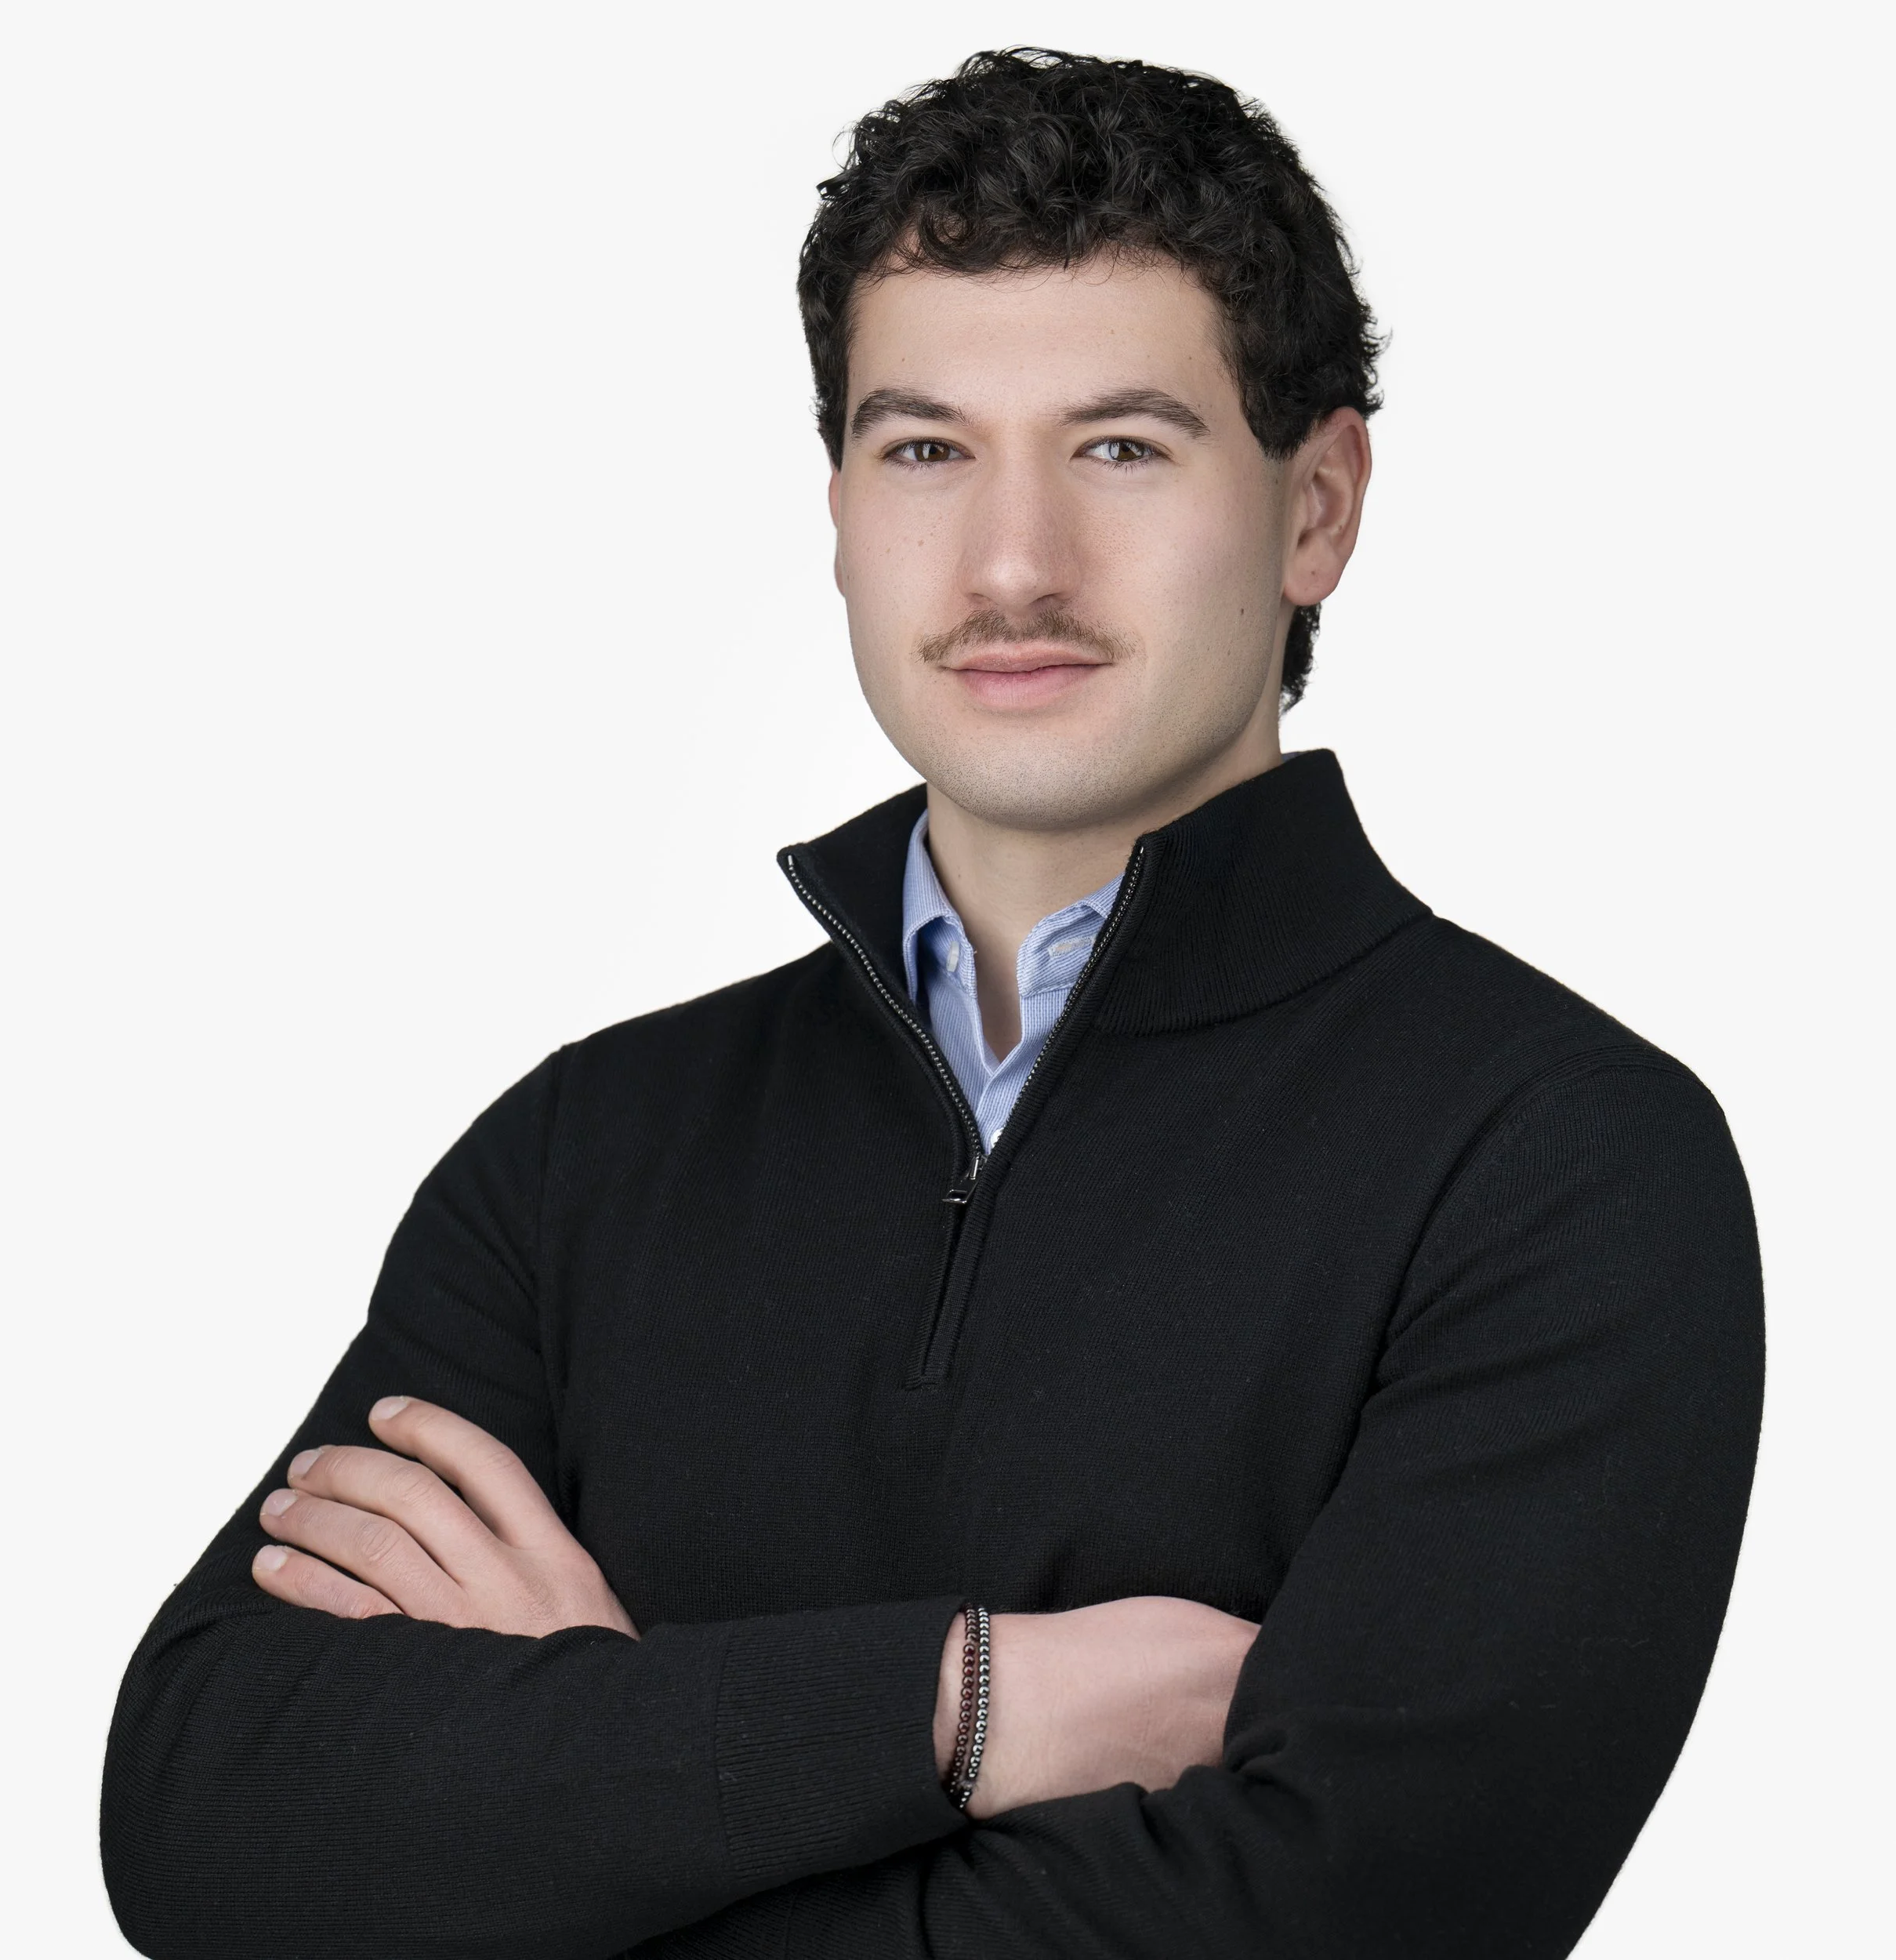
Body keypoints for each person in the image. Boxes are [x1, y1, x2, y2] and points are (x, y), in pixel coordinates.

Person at [101, 47, 1763, 1960]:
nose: (1008, 562)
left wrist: (589, 1774)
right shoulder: (583, 1154)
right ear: (836, 507)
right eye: (923, 447)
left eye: (1120, 445)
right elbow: (205, 1813)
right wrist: (969, 1705)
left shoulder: (1556, 1160)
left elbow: (1343, 1924)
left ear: (1315, 508)